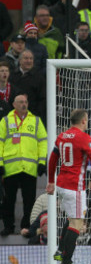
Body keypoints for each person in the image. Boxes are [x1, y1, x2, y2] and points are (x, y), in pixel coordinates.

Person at [47, 109, 91, 264]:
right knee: (77, 224)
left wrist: (51, 181)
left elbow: (52, 159)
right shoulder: (84, 138)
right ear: (84, 121)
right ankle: (66, 262)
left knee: (71, 218)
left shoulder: (62, 136)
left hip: (62, 184)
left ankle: (59, 250)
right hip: (75, 186)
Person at [0, 95, 47, 237]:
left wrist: (42, 162)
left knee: (29, 200)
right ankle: (8, 226)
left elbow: (43, 142)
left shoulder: (36, 121)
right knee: (9, 200)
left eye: (26, 102)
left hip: (29, 168)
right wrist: (0, 163)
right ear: (14, 104)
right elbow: (0, 142)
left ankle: (26, 226)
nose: (24, 104)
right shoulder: (6, 120)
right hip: (11, 168)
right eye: (21, 102)